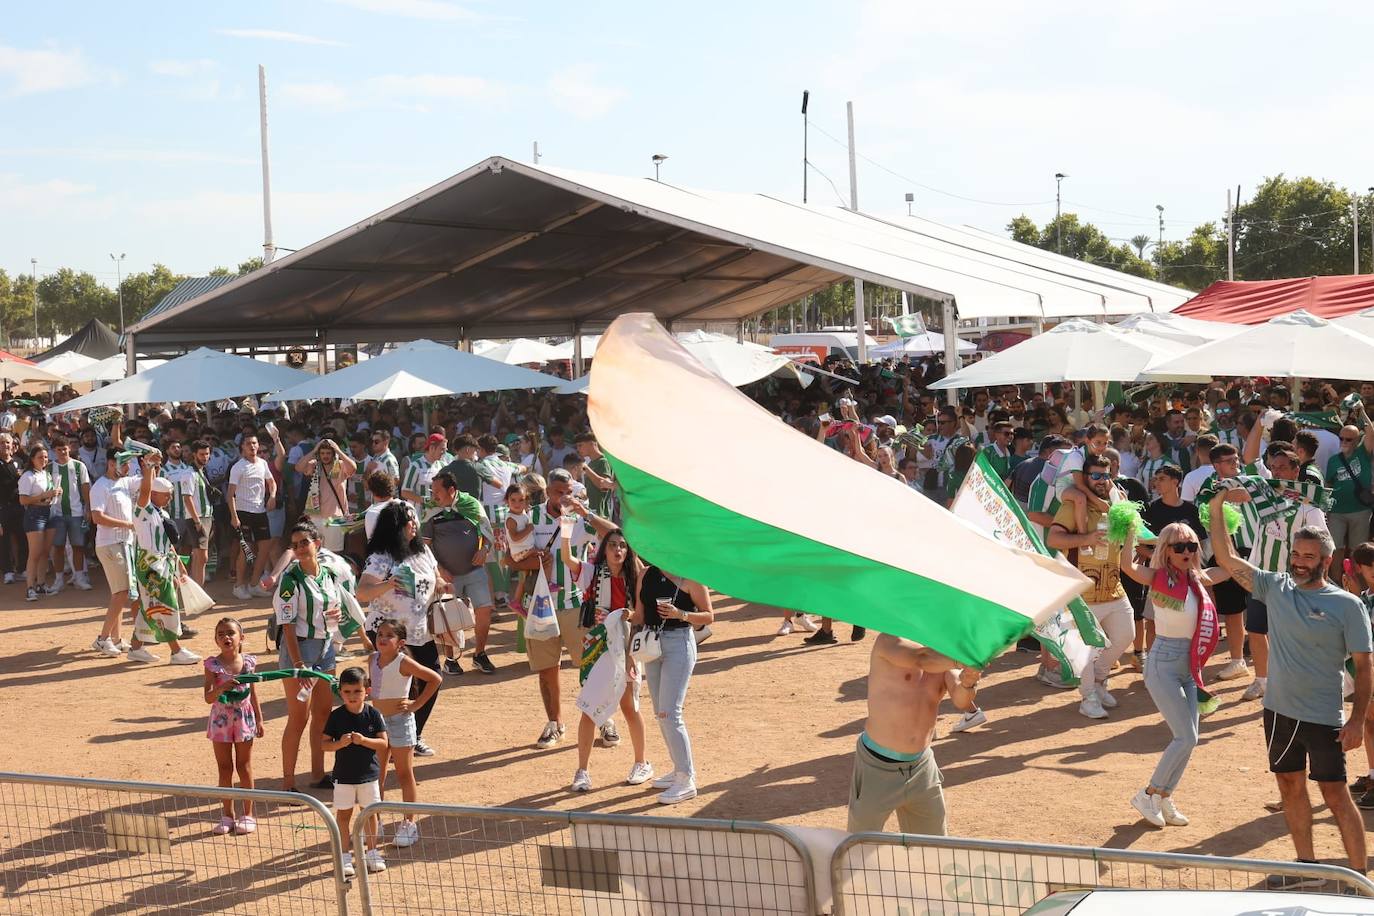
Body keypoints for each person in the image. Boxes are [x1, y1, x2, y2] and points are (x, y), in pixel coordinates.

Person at [1209, 490, 1371, 883]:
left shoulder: (1347, 606)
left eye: (1308, 557)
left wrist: (1356, 721)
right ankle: (1306, 866)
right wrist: (1217, 508)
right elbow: (1228, 559)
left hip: (1323, 716)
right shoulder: (1275, 587)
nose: (1299, 563)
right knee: (1289, 786)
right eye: (1295, 555)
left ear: (1327, 561)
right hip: (1279, 713)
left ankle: (1358, 879)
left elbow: (1365, 670)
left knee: (1336, 796)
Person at [1119, 522, 1230, 828]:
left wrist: (1225, 530)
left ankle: (1164, 798)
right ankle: (1148, 793)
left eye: (1191, 546)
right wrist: (1129, 527)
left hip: (1189, 666)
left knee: (1189, 740)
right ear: (1165, 549)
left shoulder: (1198, 579)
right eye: (1179, 547)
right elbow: (1126, 565)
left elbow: (1229, 567)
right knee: (1185, 736)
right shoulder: (1156, 576)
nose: (1186, 552)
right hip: (1163, 664)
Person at [846, 634, 980, 835]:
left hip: (922, 767)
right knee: (859, 847)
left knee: (934, 849)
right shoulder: (889, 640)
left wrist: (968, 683)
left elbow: (961, 700)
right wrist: (961, 660)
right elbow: (922, 659)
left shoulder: (945, 651)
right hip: (877, 767)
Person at [525, 470, 617, 750]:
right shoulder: (532, 517)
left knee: (591, 665)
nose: (562, 497)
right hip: (541, 606)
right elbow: (512, 558)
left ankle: (604, 720)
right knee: (546, 669)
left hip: (577, 605)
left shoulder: (580, 517)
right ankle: (555, 724)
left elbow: (613, 534)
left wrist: (585, 513)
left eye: (567, 491)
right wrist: (532, 560)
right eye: (557, 492)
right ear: (548, 492)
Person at [563, 529, 652, 793]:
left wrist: (627, 616)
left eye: (623, 546)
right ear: (605, 548)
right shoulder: (592, 573)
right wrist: (566, 531)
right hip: (598, 647)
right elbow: (568, 559)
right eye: (613, 545)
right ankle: (582, 771)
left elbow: (640, 616)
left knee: (629, 707)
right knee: (589, 708)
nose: (618, 550)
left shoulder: (635, 577)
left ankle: (642, 762)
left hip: (626, 647)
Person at [1046, 453, 1134, 719]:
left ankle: (1098, 681)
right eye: (1095, 475)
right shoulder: (1074, 504)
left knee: (1125, 636)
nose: (1101, 480)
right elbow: (1054, 538)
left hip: (1113, 587)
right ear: (1085, 477)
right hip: (1083, 593)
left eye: (1106, 475)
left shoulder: (1119, 503)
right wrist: (1087, 537)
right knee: (1086, 648)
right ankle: (1088, 698)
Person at [274, 518, 357, 792]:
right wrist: (298, 664)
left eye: (304, 543)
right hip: (300, 649)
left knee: (322, 711)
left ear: (317, 544)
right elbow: (286, 625)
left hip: (324, 648)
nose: (299, 548)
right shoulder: (290, 579)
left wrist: (335, 616)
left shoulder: (328, 573)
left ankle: (317, 773)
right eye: (295, 544)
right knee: (299, 717)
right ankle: (287, 782)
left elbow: (336, 609)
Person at [357, 501, 444, 757]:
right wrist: (388, 584)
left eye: (414, 520)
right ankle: (389, 742)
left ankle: (411, 736)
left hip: (420, 629)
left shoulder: (422, 551)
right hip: (388, 632)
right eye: (408, 522)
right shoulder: (380, 557)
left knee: (432, 678)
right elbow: (363, 592)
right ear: (395, 527)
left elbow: (436, 574)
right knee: (396, 686)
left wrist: (440, 583)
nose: (414, 525)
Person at [635, 565, 714, 804]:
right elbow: (640, 615)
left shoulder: (689, 575)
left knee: (670, 713)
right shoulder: (646, 574)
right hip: (652, 644)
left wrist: (681, 614)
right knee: (661, 713)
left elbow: (709, 615)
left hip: (679, 643)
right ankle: (678, 769)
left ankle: (686, 779)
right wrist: (620, 615)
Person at [369, 618, 441, 848]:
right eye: (380, 634)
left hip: (400, 722)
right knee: (375, 776)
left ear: (400, 643)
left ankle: (409, 824)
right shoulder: (372, 659)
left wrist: (416, 705)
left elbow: (435, 679)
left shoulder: (404, 662)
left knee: (403, 774)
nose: (382, 638)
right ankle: (375, 821)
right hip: (377, 724)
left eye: (388, 635)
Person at [125, 465, 200, 666]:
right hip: (150, 563)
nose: (169, 498)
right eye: (165, 494)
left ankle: (136, 647)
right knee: (166, 604)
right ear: (154, 494)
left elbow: (167, 543)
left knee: (151, 604)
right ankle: (176, 650)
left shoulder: (162, 513)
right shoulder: (144, 510)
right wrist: (148, 469)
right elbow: (145, 490)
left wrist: (178, 564)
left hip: (162, 561)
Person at [423, 471, 496, 675]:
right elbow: (424, 545)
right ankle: (450, 659)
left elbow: (487, 533)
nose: (433, 495)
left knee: (484, 609)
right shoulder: (430, 510)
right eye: (433, 490)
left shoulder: (471, 504)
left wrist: (484, 549)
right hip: (446, 575)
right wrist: (438, 569)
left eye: (437, 491)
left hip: (474, 570)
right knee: (448, 615)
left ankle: (479, 654)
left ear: (452, 490)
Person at [322, 666, 389, 878]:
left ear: (366, 691)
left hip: (369, 776)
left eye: (357, 691)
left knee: (369, 814)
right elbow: (324, 744)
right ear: (340, 691)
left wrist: (364, 741)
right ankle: (344, 856)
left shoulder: (373, 714)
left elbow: (383, 744)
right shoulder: (336, 717)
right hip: (343, 776)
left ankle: (372, 852)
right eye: (347, 691)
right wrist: (339, 743)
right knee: (344, 815)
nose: (352, 696)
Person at [201, 617, 264, 835]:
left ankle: (248, 814)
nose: (226, 637)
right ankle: (227, 815)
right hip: (221, 721)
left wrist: (259, 718)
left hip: (244, 719)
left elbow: (253, 692)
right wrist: (222, 687)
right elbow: (208, 698)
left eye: (230, 633)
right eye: (220, 634)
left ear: (241, 637)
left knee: (244, 766)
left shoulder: (249, 663)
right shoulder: (212, 665)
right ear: (216, 640)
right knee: (224, 768)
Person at [89, 447, 133, 656]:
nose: (128, 467)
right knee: (121, 592)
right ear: (111, 463)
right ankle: (103, 638)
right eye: (124, 463)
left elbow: (148, 484)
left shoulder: (124, 482)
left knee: (120, 592)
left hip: (123, 544)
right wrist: (126, 524)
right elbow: (97, 517)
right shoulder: (100, 486)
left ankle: (116, 638)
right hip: (109, 544)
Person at [227, 434, 277, 600]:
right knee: (246, 549)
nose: (252, 446)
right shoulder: (238, 467)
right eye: (248, 444)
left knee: (264, 548)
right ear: (242, 447)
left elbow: (272, 483)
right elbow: (230, 495)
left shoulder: (263, 463)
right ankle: (238, 585)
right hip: (243, 512)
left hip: (260, 511)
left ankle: (255, 584)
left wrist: (272, 496)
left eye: (255, 443)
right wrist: (234, 517)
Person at [1325, 419, 1374, 574]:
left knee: (1357, 550)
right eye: (1341, 438)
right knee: (1336, 548)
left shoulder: (1363, 454)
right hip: (1337, 510)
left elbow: (1370, 431)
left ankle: (1356, 583)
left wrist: (1361, 411)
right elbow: (1328, 484)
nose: (1344, 442)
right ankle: (1336, 580)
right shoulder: (1333, 460)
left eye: (1349, 439)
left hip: (1360, 510)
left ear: (1358, 440)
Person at [296, 436, 358, 552]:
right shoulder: (315, 465)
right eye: (322, 453)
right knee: (315, 552)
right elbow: (299, 467)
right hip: (314, 516)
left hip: (334, 518)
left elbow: (353, 467)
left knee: (334, 554)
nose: (325, 456)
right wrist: (315, 450)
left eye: (328, 453)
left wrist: (338, 450)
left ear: (333, 453)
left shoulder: (340, 465)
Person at [47, 436, 92, 591]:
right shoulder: (49, 468)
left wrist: (88, 508)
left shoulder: (79, 466)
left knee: (78, 546)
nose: (62, 452)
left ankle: (79, 577)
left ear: (70, 448)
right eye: (58, 449)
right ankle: (58, 579)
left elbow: (85, 487)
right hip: (56, 514)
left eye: (64, 448)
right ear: (54, 451)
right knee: (57, 547)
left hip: (77, 513)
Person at [18, 444, 59, 601]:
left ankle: (41, 584)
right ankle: (30, 588)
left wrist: (53, 494)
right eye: (40, 457)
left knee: (45, 552)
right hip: (34, 514)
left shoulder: (46, 474)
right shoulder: (28, 476)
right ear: (32, 459)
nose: (44, 460)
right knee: (34, 553)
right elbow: (23, 500)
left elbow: (47, 496)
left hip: (49, 512)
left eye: (46, 457)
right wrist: (44, 495)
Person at [0, 433, 27, 585]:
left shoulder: (19, 461)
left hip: (19, 507)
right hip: (2, 508)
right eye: (2, 443)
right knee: (3, 541)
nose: (5, 445)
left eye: (8, 442)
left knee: (23, 538)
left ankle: (22, 569)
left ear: (12, 445)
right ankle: (8, 571)